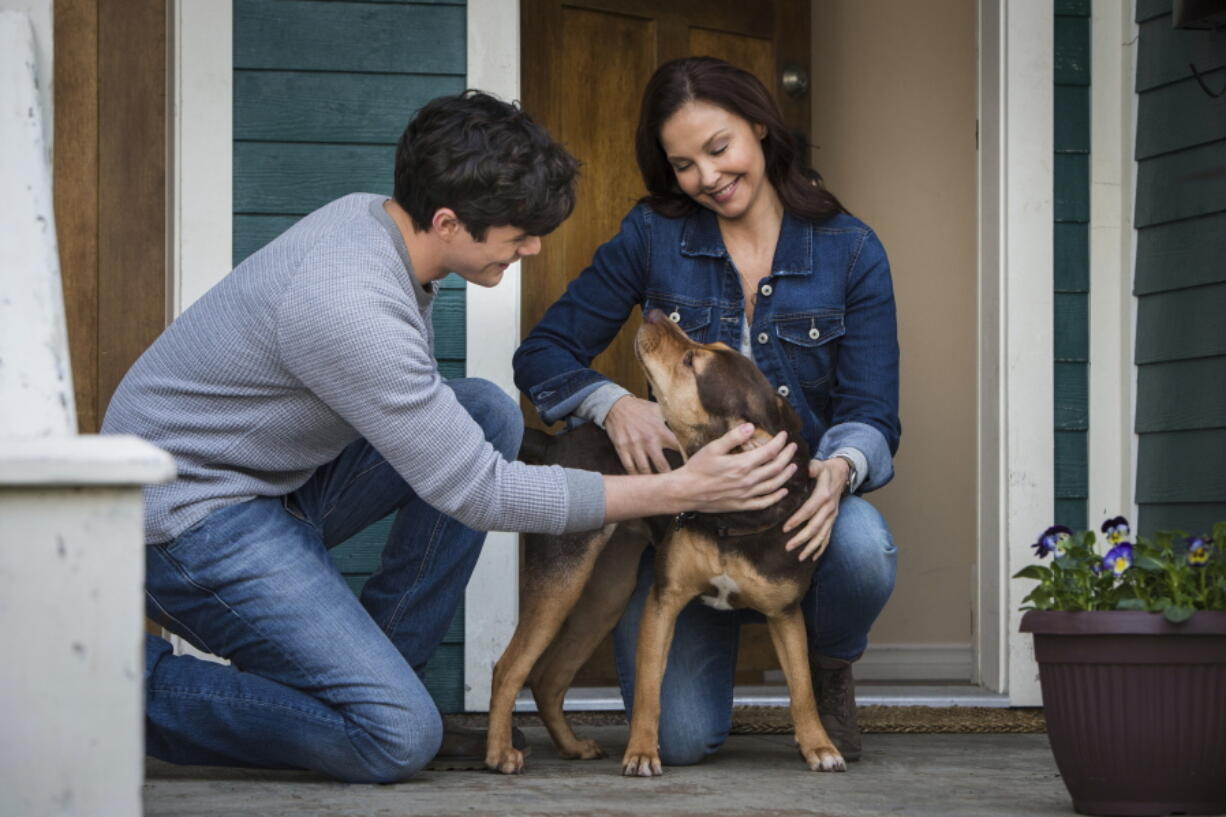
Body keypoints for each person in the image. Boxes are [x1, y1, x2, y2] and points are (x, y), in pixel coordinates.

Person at [102, 91, 805, 783]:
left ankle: (375, 674)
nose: (531, 247)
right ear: (446, 220)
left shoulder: (373, 222)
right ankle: (126, 695)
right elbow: (480, 491)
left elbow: (453, 447)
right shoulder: (350, 304)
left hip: (269, 482)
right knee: (397, 736)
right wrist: (677, 488)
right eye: (519, 233)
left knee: (485, 413)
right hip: (186, 517)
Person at [513, 58, 901, 764]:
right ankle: (689, 619)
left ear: (759, 124)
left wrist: (841, 467)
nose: (708, 177)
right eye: (684, 163)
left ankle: (827, 665)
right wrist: (610, 402)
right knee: (683, 741)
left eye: (719, 149)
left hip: (786, 514)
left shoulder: (852, 250)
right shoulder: (653, 233)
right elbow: (542, 353)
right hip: (687, 521)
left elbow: (873, 410)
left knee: (864, 545)